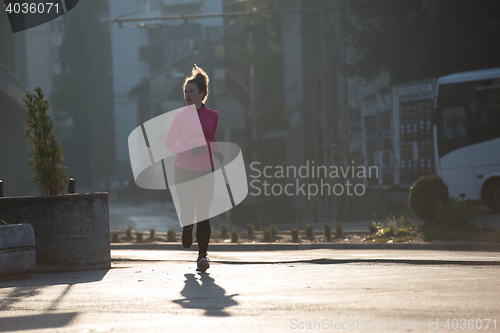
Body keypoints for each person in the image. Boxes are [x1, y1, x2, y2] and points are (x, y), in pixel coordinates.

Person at [165, 65, 223, 272]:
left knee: (204, 214)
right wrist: (188, 150)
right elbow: (170, 143)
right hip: (183, 169)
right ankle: (187, 227)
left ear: (201, 94)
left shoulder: (212, 115)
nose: (187, 95)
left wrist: (216, 153)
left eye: (190, 91)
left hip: (206, 169)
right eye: (185, 92)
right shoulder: (180, 116)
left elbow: (211, 137)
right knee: (189, 211)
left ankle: (203, 257)